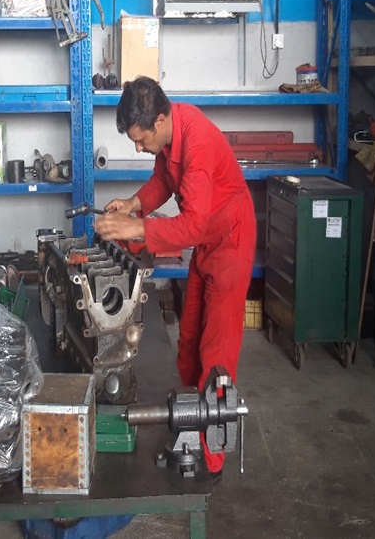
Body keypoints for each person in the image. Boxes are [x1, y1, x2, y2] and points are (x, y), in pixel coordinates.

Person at [93, 76, 256, 480]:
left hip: (230, 240)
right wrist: (134, 204)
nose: (137, 147)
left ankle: (211, 460)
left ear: (161, 121)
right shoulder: (170, 136)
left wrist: (135, 228)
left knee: (216, 353)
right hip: (207, 242)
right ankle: (189, 424)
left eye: (140, 140)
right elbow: (164, 182)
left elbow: (192, 226)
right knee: (188, 343)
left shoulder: (197, 145)